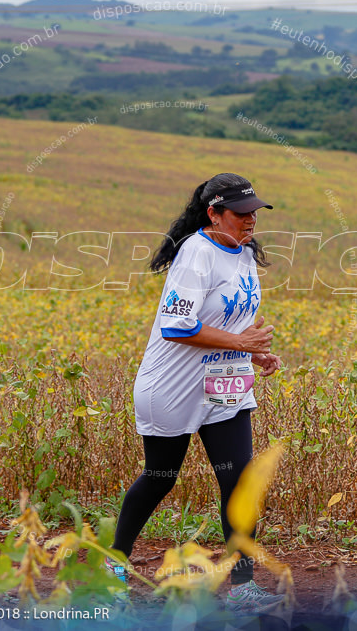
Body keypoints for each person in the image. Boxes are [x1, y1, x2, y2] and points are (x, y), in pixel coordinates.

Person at [106, 172, 285, 614]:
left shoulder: (243, 254)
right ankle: (112, 565)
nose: (250, 221)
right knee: (160, 479)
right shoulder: (196, 254)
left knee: (239, 483)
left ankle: (243, 587)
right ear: (214, 213)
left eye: (254, 213)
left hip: (224, 384)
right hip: (172, 386)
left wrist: (254, 354)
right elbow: (176, 326)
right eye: (241, 214)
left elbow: (229, 318)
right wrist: (241, 345)